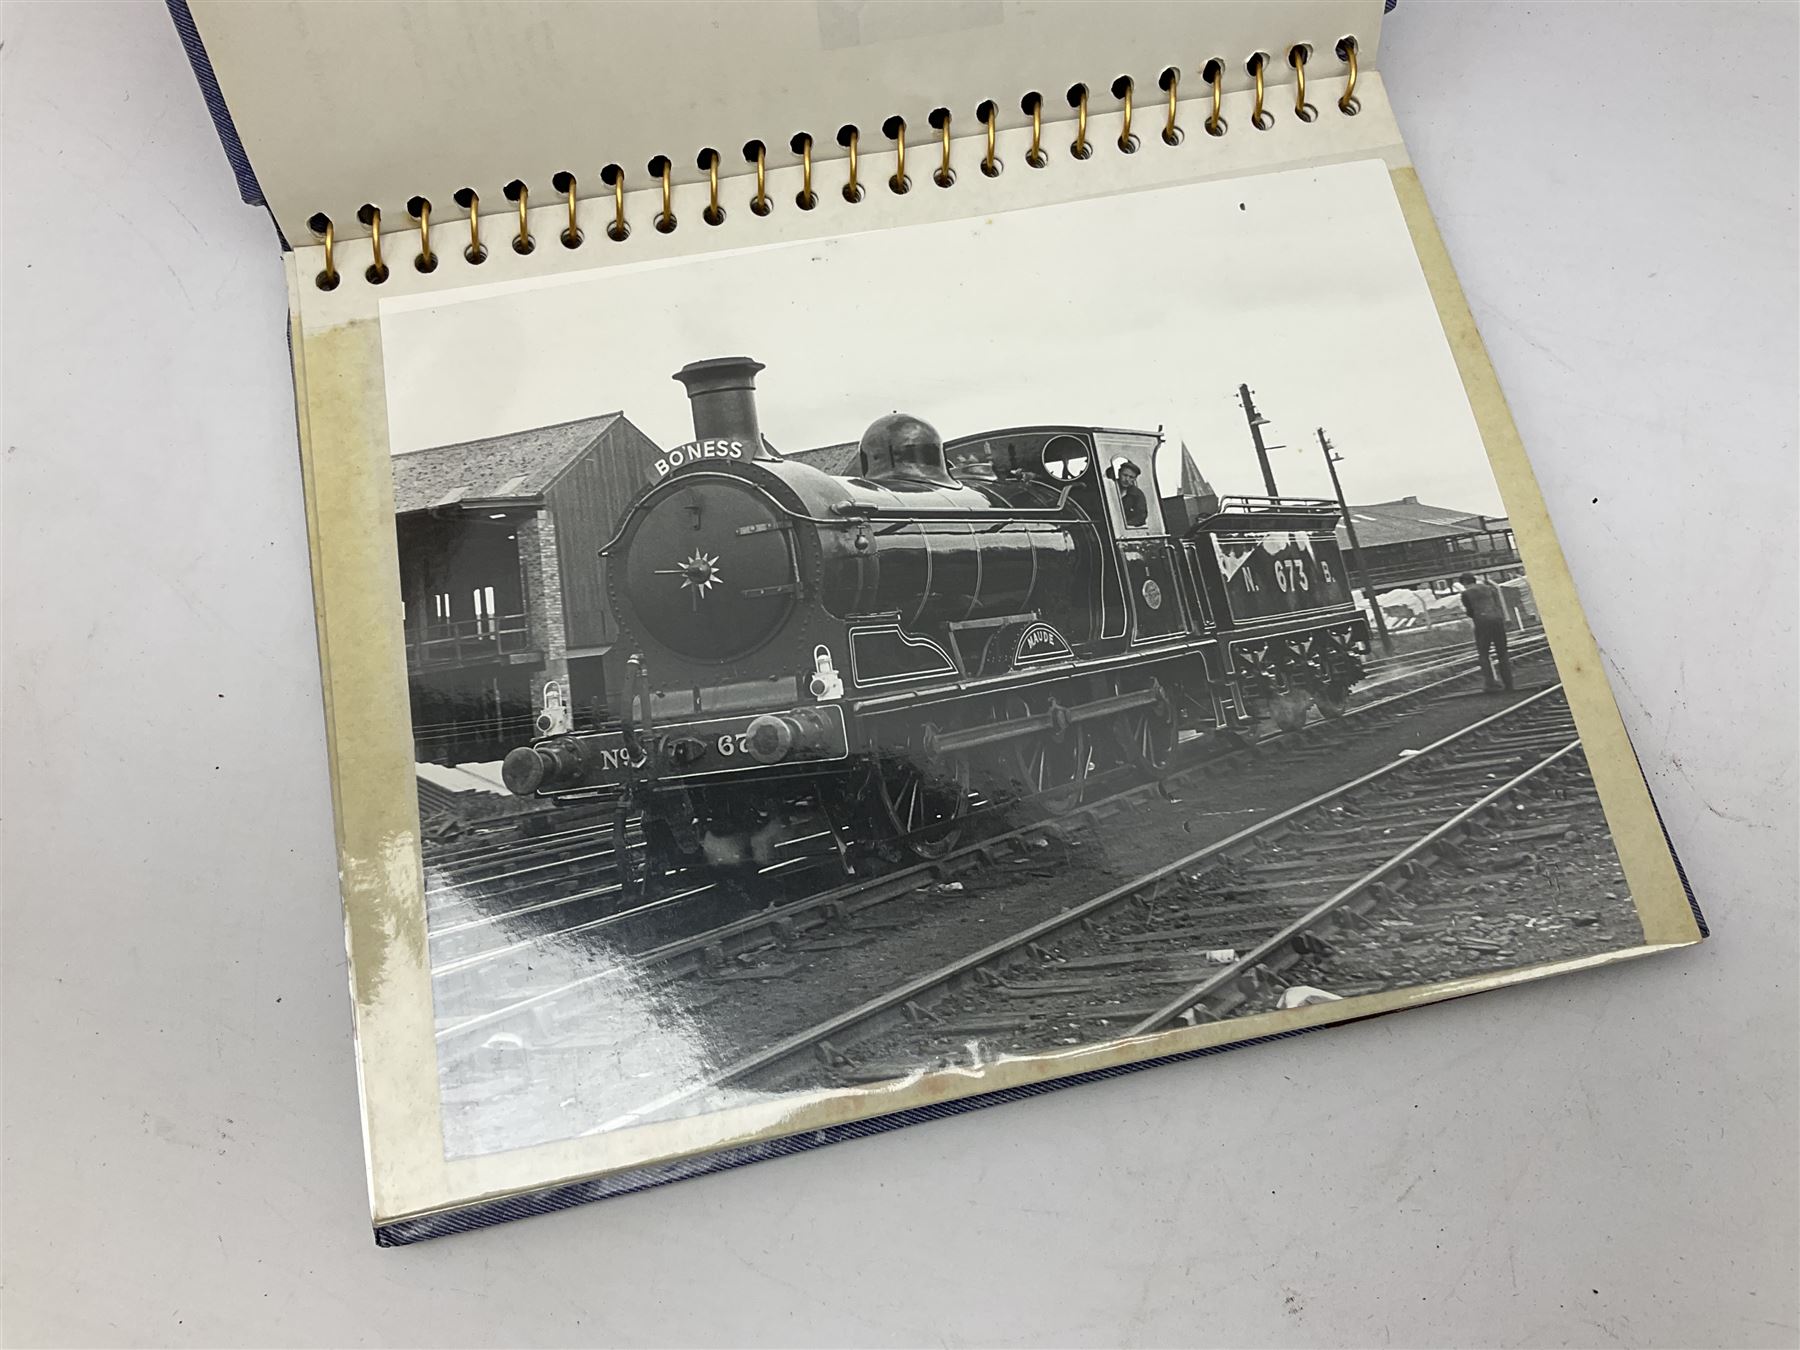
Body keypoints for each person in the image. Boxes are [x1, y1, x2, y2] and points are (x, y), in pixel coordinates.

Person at [1459, 571, 1513, 691]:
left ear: (1464, 582)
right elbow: (1497, 604)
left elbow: (1470, 612)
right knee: (1502, 653)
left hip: (1482, 622)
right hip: (1497, 620)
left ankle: (1490, 683)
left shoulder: (1466, 593)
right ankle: (1509, 683)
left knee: (1483, 653)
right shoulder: (1490, 588)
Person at [1116, 461, 1148, 528]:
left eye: (1131, 477)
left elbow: (1141, 516)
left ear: (1135, 479)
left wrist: (1124, 524)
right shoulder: (1109, 487)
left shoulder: (1138, 494)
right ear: (1119, 473)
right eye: (1125, 475)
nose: (1127, 479)